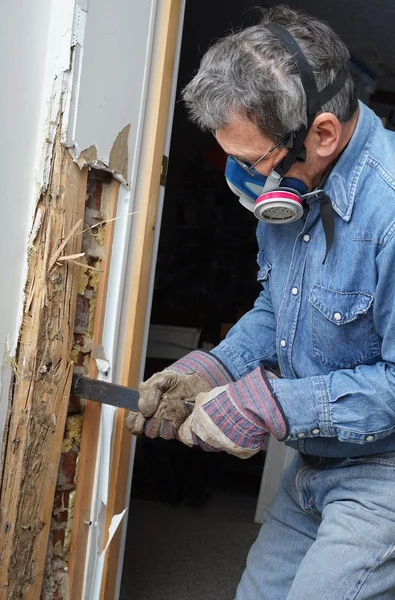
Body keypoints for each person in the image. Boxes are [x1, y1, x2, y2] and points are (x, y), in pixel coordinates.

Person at [126, 5, 395, 599]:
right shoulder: (292, 187)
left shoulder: (389, 214)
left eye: (252, 162)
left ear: (322, 132)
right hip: (317, 458)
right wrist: (213, 367)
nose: (246, 181)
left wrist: (267, 405)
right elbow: (279, 308)